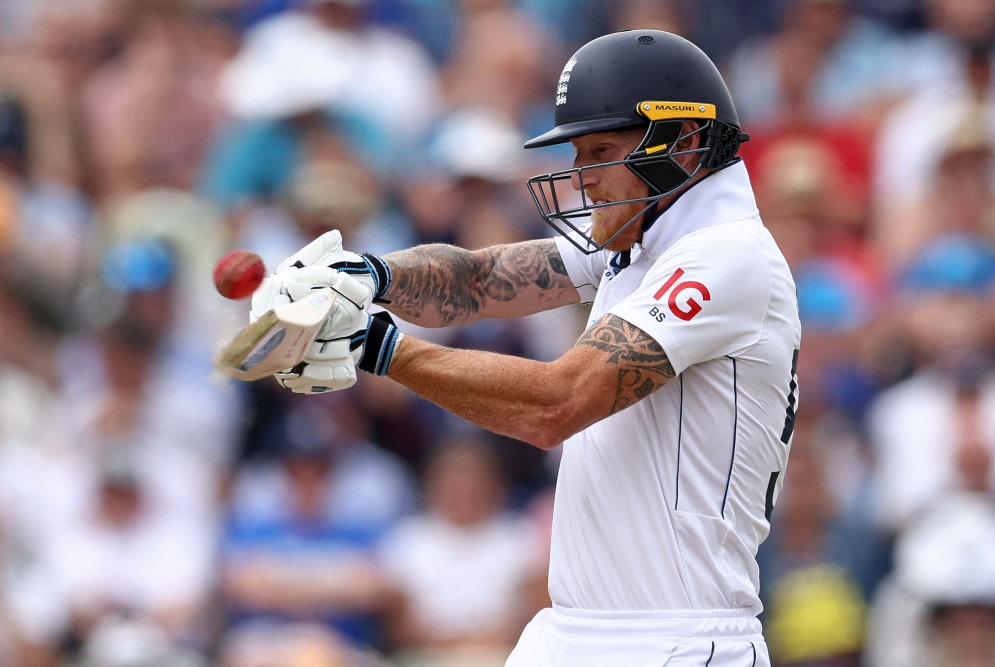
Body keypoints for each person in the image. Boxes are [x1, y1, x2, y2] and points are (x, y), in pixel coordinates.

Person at [252, 30, 801, 667]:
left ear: (682, 145)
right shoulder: (644, 242)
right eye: (579, 153)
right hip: (573, 633)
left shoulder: (724, 254)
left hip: (674, 639)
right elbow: (482, 280)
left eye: (602, 151)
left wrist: (378, 348)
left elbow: (558, 404)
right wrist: (369, 275)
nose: (583, 178)